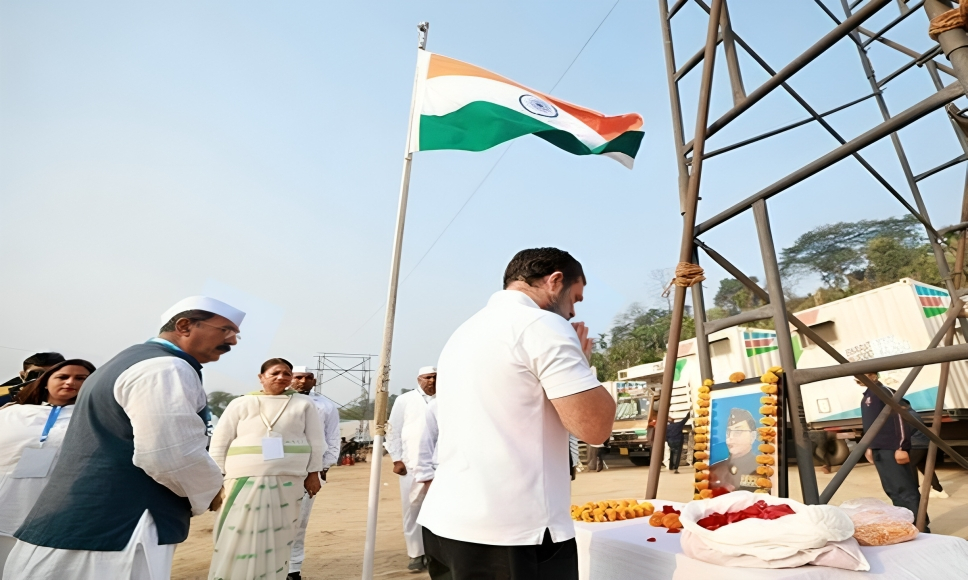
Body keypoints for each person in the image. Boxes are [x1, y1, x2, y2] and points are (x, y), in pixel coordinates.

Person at [6, 296, 243, 580]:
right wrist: (211, 488)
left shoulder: (127, 361)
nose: (233, 341)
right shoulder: (166, 368)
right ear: (184, 326)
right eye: (225, 330)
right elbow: (169, 454)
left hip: (85, 524)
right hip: (116, 530)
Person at [418, 247, 616, 580]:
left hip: (447, 523)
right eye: (575, 298)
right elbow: (594, 427)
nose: (572, 311)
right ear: (555, 281)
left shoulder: (463, 333)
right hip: (511, 533)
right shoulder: (543, 325)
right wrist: (583, 363)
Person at [208, 358, 325, 580]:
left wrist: (313, 473)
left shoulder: (303, 404)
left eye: (287, 373)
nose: (282, 377)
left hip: (288, 480)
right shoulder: (240, 403)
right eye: (275, 373)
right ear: (261, 377)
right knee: (237, 533)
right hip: (242, 479)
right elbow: (220, 442)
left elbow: (316, 441)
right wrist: (216, 479)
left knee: (279, 536)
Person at [0, 359, 94, 574]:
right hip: (6, 503)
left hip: (56, 511)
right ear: (45, 382)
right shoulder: (10, 413)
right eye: (62, 377)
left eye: (81, 378)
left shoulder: (95, 419)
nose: (71, 382)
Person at [287, 365, 340, 580]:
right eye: (299, 377)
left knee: (299, 522)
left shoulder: (325, 405)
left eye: (308, 377)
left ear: (314, 381)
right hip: (279, 470)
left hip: (310, 471)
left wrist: (324, 468)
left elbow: (333, 437)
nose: (303, 381)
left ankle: (293, 569)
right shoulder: (277, 401)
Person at [385, 367, 437, 572]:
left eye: (435, 377)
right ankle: (416, 553)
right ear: (419, 379)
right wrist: (396, 459)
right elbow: (393, 430)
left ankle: (436, 554)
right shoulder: (405, 400)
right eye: (428, 377)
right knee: (412, 509)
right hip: (411, 464)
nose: (432, 381)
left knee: (438, 508)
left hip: (440, 463)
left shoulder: (446, 398)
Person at [858, 373, 926, 523]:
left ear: (873, 375)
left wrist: (901, 446)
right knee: (892, 490)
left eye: (864, 374)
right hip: (879, 449)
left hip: (892, 448)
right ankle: (906, 523)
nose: (858, 378)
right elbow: (870, 424)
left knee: (904, 489)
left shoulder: (885, 392)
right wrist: (869, 446)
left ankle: (920, 525)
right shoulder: (867, 395)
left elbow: (901, 418)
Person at [708, 408, 760, 492]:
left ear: (753, 436)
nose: (730, 437)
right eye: (728, 432)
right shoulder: (714, 469)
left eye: (738, 432)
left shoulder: (762, 468)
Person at [0, 353, 66, 406]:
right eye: (35, 374)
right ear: (23, 376)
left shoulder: (72, 401)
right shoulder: (2, 396)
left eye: (51, 375)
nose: (42, 379)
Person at [908, 412, 947, 498]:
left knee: (910, 466)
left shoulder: (904, 413)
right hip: (925, 442)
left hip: (916, 444)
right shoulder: (914, 413)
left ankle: (914, 491)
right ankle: (939, 490)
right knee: (925, 467)